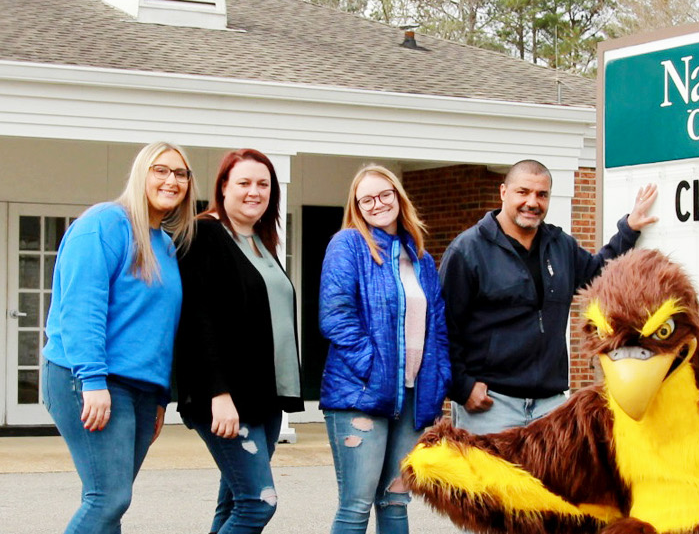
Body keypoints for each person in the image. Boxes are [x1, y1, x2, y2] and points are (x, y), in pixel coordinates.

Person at [42, 141, 196, 534]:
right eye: (160, 170)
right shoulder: (105, 223)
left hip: (142, 390)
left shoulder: (164, 243)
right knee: (108, 498)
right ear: (140, 174)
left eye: (180, 173)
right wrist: (92, 380)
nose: (171, 180)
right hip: (90, 378)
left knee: (108, 501)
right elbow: (82, 307)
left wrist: (162, 397)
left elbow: (161, 328)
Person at [440, 160, 657, 435]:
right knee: (495, 480)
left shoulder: (560, 245)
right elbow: (444, 327)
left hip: (551, 405)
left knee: (554, 480)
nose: (532, 202)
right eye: (523, 192)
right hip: (492, 406)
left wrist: (629, 229)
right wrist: (462, 387)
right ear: (503, 192)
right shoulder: (468, 250)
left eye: (542, 195)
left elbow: (599, 273)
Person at [172, 149, 303, 534]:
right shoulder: (205, 234)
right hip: (227, 398)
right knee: (258, 503)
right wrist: (218, 393)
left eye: (263, 184)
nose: (254, 192)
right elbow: (198, 320)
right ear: (224, 187)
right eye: (243, 182)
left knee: (233, 502)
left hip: (265, 396)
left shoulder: (261, 242)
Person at [318, 164, 449, 534]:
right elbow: (336, 316)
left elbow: (437, 329)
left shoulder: (420, 259)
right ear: (357, 207)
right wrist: (375, 370)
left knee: (395, 501)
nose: (377, 204)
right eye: (367, 200)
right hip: (360, 396)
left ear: (398, 196)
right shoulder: (348, 245)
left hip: (411, 400)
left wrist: (437, 387)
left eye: (384, 194)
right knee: (356, 506)